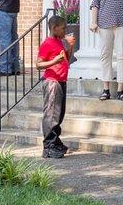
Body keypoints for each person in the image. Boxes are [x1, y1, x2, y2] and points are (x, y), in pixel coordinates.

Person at [36, 15, 75, 159]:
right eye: (63, 28)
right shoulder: (47, 43)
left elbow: (67, 60)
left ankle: (55, 141)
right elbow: (38, 64)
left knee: (59, 113)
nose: (65, 31)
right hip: (52, 82)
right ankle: (48, 146)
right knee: (51, 114)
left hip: (61, 80)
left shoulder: (60, 42)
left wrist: (70, 46)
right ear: (54, 28)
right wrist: (54, 61)